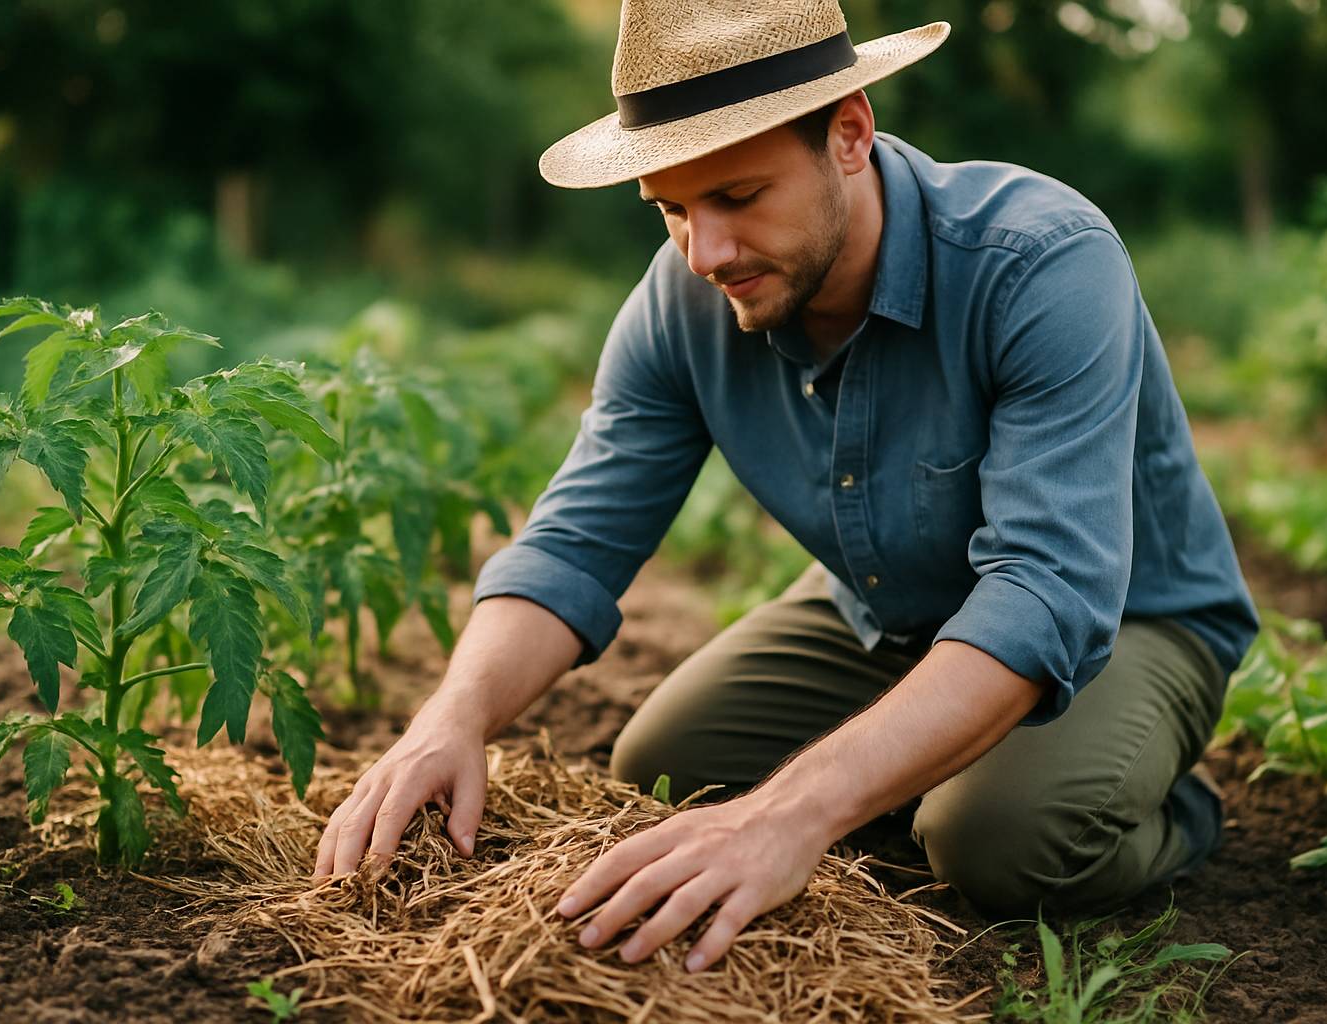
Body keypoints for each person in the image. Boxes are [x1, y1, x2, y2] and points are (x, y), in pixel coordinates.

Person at [313, 0, 1259, 974]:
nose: (704, 252)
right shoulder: (683, 302)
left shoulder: (1041, 261)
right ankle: (916, 758)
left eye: (737, 193)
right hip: (889, 610)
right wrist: (447, 720)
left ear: (850, 134)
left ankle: (1150, 801)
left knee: (997, 841)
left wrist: (791, 811)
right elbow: (572, 543)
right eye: (672, 208)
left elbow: (1048, 595)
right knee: (667, 768)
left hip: (1127, 622)